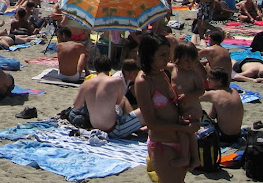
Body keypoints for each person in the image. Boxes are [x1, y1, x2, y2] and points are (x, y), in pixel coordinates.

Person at [135, 33, 198, 182]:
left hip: (181, 141)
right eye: (162, 55)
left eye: (168, 54)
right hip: (162, 145)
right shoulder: (143, 82)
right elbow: (151, 122)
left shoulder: (163, 73)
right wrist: (183, 128)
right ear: (149, 55)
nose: (168, 59)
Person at [70, 55, 145, 139]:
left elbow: (76, 105)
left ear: (96, 68)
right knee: (146, 110)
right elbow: (119, 101)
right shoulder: (116, 81)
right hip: (114, 130)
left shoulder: (86, 83)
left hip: (97, 127)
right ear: (110, 68)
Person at [168, 42, 205, 169]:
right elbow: (160, 66)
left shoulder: (193, 74)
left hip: (192, 107)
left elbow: (201, 90)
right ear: (177, 59)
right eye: (187, 61)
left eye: (193, 61)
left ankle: (185, 157)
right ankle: (195, 159)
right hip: (181, 108)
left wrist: (188, 95)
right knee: (189, 134)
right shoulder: (173, 69)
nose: (190, 64)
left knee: (184, 132)